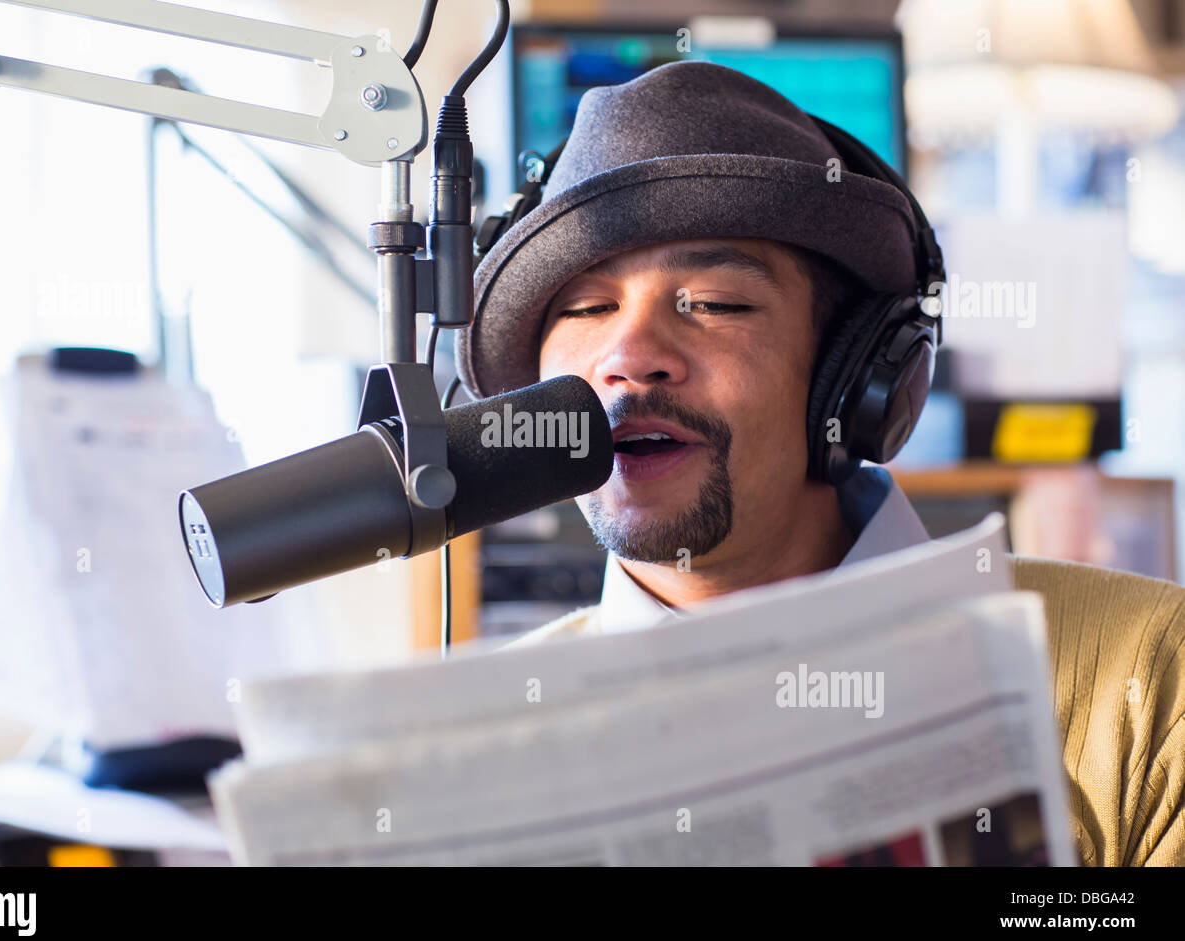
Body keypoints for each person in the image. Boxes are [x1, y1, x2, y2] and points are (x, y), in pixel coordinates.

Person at [458, 61, 1184, 866]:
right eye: (587, 309)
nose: (628, 358)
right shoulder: (477, 743)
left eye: (715, 303)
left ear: (860, 373)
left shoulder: (1149, 672)